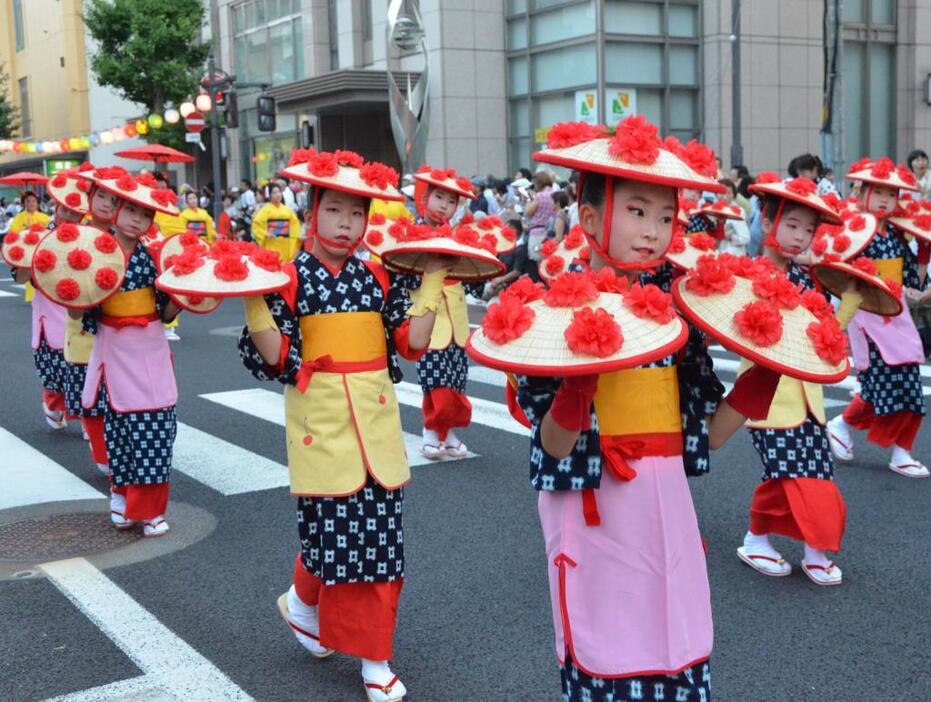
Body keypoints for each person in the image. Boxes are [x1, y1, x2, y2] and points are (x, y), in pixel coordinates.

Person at [513, 117, 780, 701]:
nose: (653, 232)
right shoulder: (552, 314)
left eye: (665, 217)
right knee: (603, 640)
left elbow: (706, 438)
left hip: (666, 505)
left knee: (677, 637)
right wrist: (579, 385)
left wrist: (765, 377)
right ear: (587, 219)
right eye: (637, 212)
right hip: (593, 508)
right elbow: (553, 445)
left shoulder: (676, 318)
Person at [239, 148, 447, 702]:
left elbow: (413, 342)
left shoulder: (378, 276)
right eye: (335, 211)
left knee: (379, 543)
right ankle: (305, 604)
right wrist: (254, 303)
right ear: (312, 211)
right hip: (320, 421)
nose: (346, 225)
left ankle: (375, 661)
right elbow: (278, 358)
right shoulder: (286, 277)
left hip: (375, 423)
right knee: (329, 533)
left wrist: (432, 282)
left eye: (357, 214)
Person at [737, 174, 861, 586]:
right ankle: (808, 547)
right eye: (791, 224)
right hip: (766, 396)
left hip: (806, 397)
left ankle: (768, 541)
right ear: (767, 221)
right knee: (797, 474)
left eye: (808, 229)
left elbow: (823, 339)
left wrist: (850, 303)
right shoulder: (747, 277)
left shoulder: (805, 279)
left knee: (803, 472)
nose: (800, 236)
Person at [77, 167, 183, 536]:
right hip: (113, 347)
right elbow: (80, 309)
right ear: (115, 209)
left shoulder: (154, 257)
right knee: (119, 428)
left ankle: (150, 509)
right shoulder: (94, 252)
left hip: (149, 344)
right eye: (132, 211)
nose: (138, 220)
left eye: (146, 214)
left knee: (156, 424)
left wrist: (181, 298)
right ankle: (121, 499)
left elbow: (164, 312)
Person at [827, 158, 929, 478]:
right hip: (866, 311)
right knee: (878, 385)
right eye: (879, 192)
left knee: (910, 382)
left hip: (895, 312)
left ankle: (901, 452)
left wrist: (924, 252)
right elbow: (840, 273)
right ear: (863, 193)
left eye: (891, 193)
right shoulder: (855, 230)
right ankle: (841, 424)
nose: (885, 199)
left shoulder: (898, 236)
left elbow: (914, 280)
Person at [408, 165, 483, 458]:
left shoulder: (457, 234)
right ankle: (430, 430)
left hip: (457, 313)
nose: (445, 205)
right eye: (439, 197)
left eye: (452, 201)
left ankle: (448, 434)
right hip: (429, 312)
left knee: (455, 377)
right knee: (434, 379)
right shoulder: (412, 231)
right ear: (424, 196)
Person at [252, 183, 302, 262]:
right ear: (270, 195)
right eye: (274, 193)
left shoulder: (288, 210)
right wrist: (265, 233)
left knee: (285, 266)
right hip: (272, 242)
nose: (278, 194)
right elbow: (256, 225)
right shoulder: (265, 210)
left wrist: (295, 240)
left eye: (279, 192)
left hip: (286, 243)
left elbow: (295, 225)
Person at [716, 179, 751, 256]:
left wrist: (729, 236)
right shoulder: (712, 209)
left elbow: (745, 238)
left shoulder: (738, 211)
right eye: (721, 192)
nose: (725, 196)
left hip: (733, 254)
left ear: (734, 195)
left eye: (729, 193)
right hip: (717, 252)